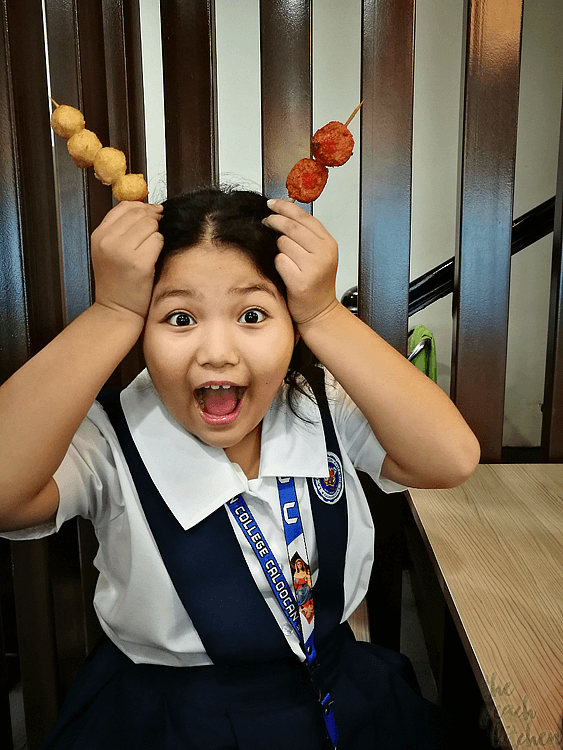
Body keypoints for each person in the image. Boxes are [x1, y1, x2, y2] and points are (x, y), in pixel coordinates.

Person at [0, 187, 480, 749]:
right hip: (169, 718)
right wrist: (110, 311)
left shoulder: (320, 405)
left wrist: (324, 313)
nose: (217, 351)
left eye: (253, 315)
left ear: (291, 321)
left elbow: (451, 459)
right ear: (141, 330)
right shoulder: (110, 438)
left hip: (336, 694)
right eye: (180, 318)